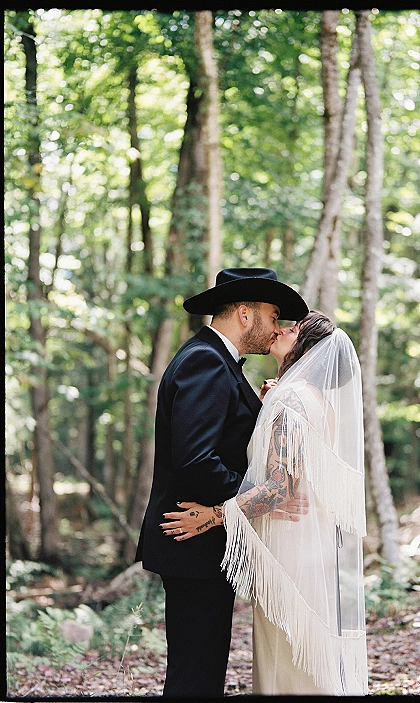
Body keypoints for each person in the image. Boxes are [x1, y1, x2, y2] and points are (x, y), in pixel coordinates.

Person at [161, 310, 369, 695]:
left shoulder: (290, 399)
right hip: (313, 543)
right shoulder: (319, 403)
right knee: (308, 658)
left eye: (293, 329)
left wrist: (213, 516)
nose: (281, 330)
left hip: (290, 549)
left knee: (288, 664)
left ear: (307, 347)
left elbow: (278, 487)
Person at [135, 267, 309, 698]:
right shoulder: (205, 361)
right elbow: (197, 461)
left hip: (206, 541)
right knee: (196, 675)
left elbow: (223, 441)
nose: (277, 328)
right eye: (272, 316)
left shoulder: (216, 360)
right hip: (193, 539)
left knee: (203, 667)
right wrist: (256, 500)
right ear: (245, 314)